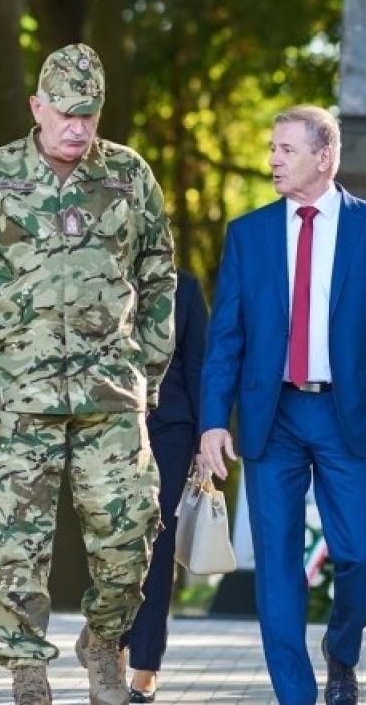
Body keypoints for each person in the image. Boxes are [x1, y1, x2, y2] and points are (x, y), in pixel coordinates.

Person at [0, 42, 177, 705]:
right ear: (37, 106)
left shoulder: (128, 175)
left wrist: (148, 372)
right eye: (65, 112)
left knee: (131, 529)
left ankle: (104, 642)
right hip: (16, 395)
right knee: (16, 544)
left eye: (89, 115)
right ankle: (26, 667)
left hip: (109, 392)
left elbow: (159, 275)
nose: (77, 127)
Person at [197, 105, 366, 705]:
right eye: (272, 148)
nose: (273, 158)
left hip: (345, 415)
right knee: (276, 569)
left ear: (324, 156)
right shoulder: (247, 234)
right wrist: (210, 424)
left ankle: (341, 650)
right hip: (269, 417)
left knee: (362, 553)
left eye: (286, 149)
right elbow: (225, 339)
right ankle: (296, 696)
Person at [123, 270, 209, 702]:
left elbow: (197, 362)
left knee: (158, 540)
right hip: (106, 426)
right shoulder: (90, 264)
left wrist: (203, 439)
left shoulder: (186, 288)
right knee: (111, 537)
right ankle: (111, 641)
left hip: (171, 428)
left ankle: (145, 663)